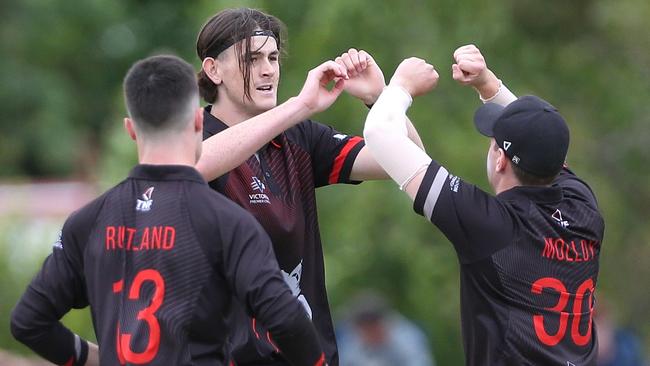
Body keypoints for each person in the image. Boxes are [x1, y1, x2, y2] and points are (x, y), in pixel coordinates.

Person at [10, 55, 331, 366]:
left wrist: (98, 359)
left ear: (130, 129)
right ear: (196, 121)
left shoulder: (88, 221)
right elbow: (288, 319)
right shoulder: (228, 222)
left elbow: (29, 321)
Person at [193, 8, 424, 366]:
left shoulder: (299, 139)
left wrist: (383, 99)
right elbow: (194, 165)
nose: (269, 69)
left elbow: (411, 162)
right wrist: (300, 105)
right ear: (213, 69)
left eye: (272, 57)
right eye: (252, 59)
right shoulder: (195, 137)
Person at [363, 45, 604, 365]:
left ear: (500, 160)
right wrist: (488, 84)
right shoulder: (583, 208)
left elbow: (379, 133)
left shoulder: (491, 226)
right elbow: (546, 141)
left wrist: (400, 87)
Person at [337, 291, 435, 366]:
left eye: (368, 329)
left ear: (380, 324)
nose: (364, 334)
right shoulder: (353, 340)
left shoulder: (408, 338)